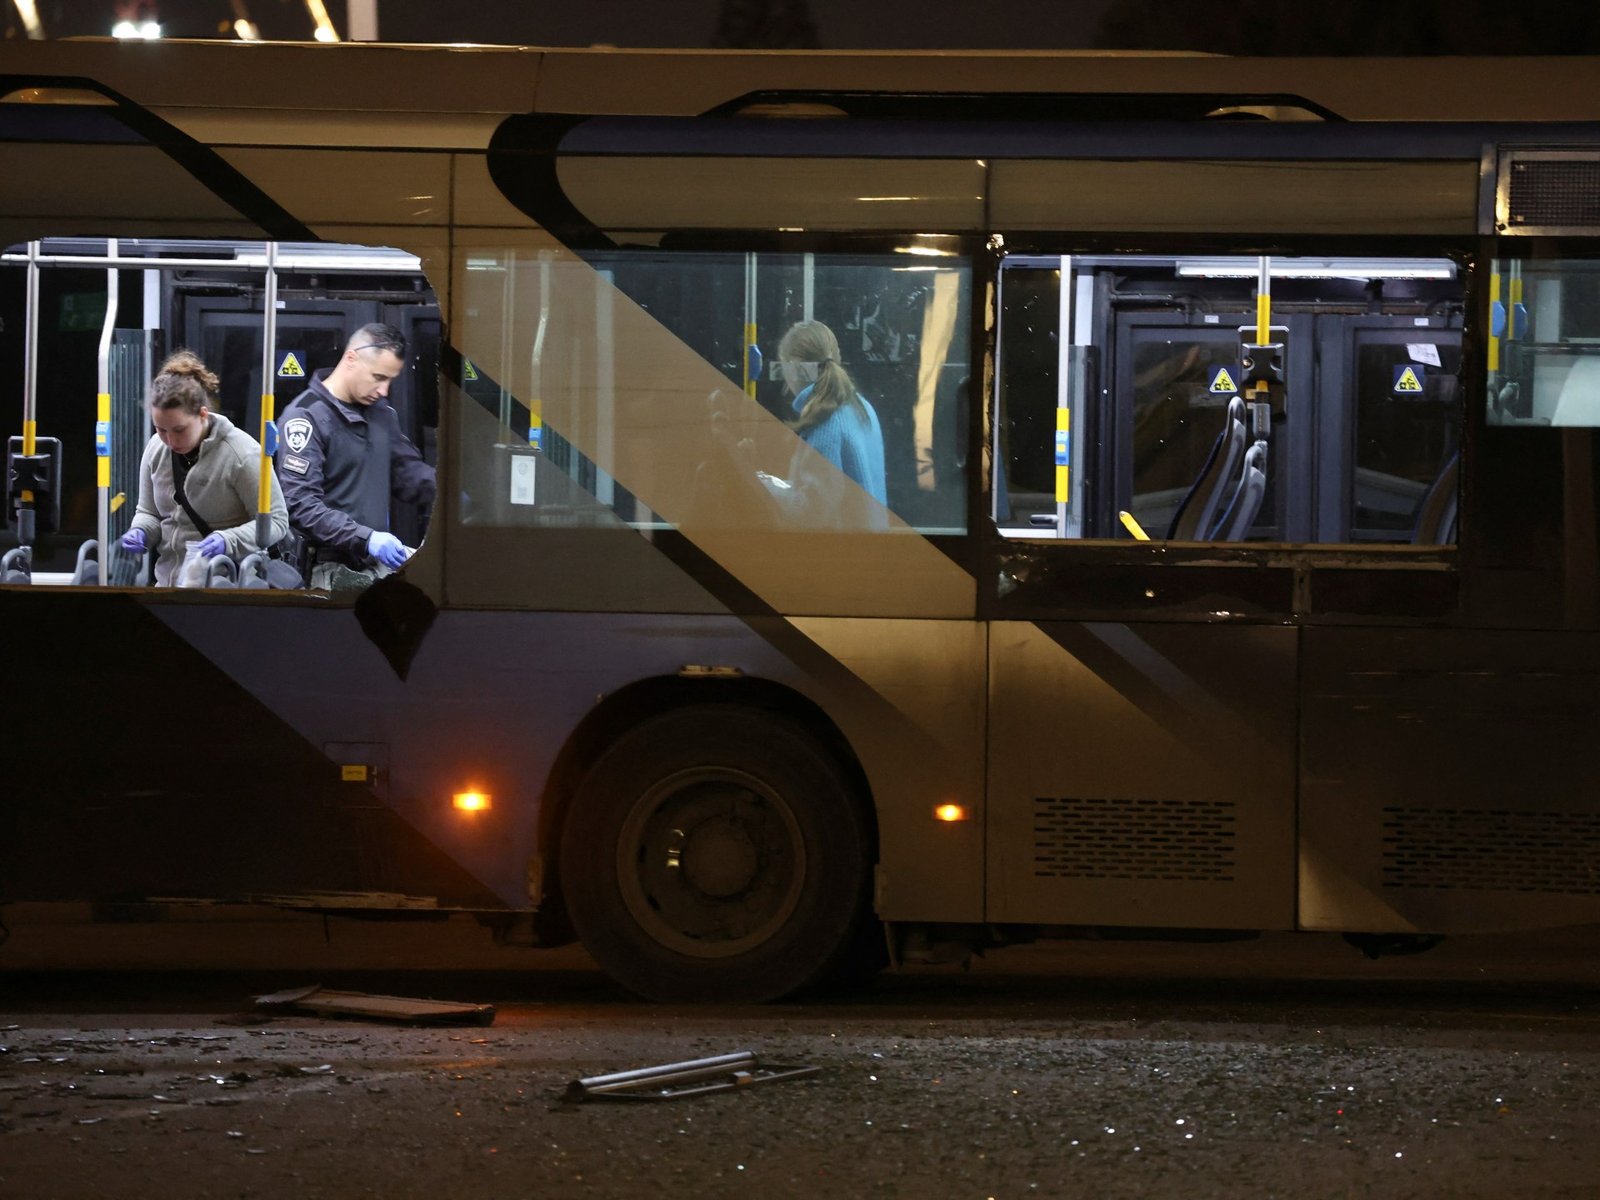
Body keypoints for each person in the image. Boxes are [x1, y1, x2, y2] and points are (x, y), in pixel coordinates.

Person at [275, 323, 436, 590]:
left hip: (373, 566)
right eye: (378, 377)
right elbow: (300, 504)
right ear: (352, 359)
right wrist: (367, 538)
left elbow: (408, 475)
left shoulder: (382, 416)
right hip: (326, 572)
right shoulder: (306, 417)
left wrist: (455, 493)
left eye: (390, 380)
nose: (384, 390)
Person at [119, 350, 289, 586]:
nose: (170, 440)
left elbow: (277, 520)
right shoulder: (156, 449)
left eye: (179, 430)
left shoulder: (242, 454)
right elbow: (149, 512)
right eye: (161, 429)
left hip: (227, 586)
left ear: (202, 415)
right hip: (168, 586)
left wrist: (227, 539)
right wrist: (141, 531)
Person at [775, 319, 887, 507]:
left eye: (783, 367)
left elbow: (812, 515)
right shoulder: (862, 407)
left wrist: (770, 491)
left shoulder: (825, 423)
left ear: (796, 368)